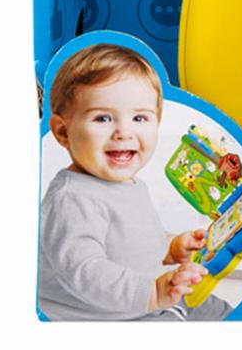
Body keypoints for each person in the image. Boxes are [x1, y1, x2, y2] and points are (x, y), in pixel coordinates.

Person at [38, 43, 229, 320]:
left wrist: (171, 247)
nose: (124, 132)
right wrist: (152, 292)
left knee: (221, 311)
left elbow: (132, 243)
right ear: (63, 132)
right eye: (102, 118)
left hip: (150, 296)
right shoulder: (72, 199)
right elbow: (84, 270)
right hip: (106, 316)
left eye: (139, 117)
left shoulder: (130, 184)